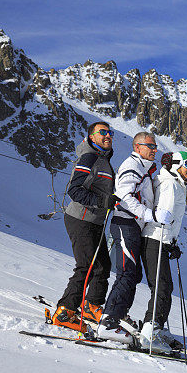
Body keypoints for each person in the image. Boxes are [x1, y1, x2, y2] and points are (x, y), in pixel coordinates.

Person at [97, 132, 170, 343]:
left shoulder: (143, 169)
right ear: (138, 147)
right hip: (125, 223)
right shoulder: (132, 166)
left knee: (133, 274)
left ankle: (116, 318)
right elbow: (123, 197)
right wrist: (150, 215)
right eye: (150, 146)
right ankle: (108, 322)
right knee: (127, 274)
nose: (154, 150)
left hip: (133, 226)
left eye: (155, 147)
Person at [53, 121, 118, 330]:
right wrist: (101, 202)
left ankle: (91, 306)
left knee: (102, 266)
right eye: (103, 132)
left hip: (95, 221)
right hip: (80, 219)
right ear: (92, 136)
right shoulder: (89, 157)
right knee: (86, 266)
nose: (108, 136)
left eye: (110, 132)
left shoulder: (103, 160)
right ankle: (65, 311)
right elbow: (75, 190)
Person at [139, 151, 187, 353]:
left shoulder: (174, 183)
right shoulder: (171, 185)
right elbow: (164, 216)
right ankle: (149, 331)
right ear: (176, 165)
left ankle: (157, 327)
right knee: (162, 287)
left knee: (165, 286)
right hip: (155, 239)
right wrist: (168, 240)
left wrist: (171, 242)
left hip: (160, 240)